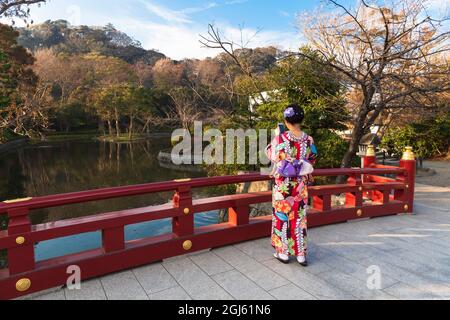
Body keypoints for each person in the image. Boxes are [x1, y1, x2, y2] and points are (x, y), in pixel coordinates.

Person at [265, 104, 318, 266]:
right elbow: (313, 157)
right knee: (299, 219)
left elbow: (272, 155)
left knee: (282, 218)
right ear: (301, 119)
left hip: (283, 185)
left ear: (286, 120)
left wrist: (276, 137)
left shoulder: (280, 138)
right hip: (300, 186)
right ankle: (301, 254)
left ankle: (284, 253)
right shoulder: (308, 139)